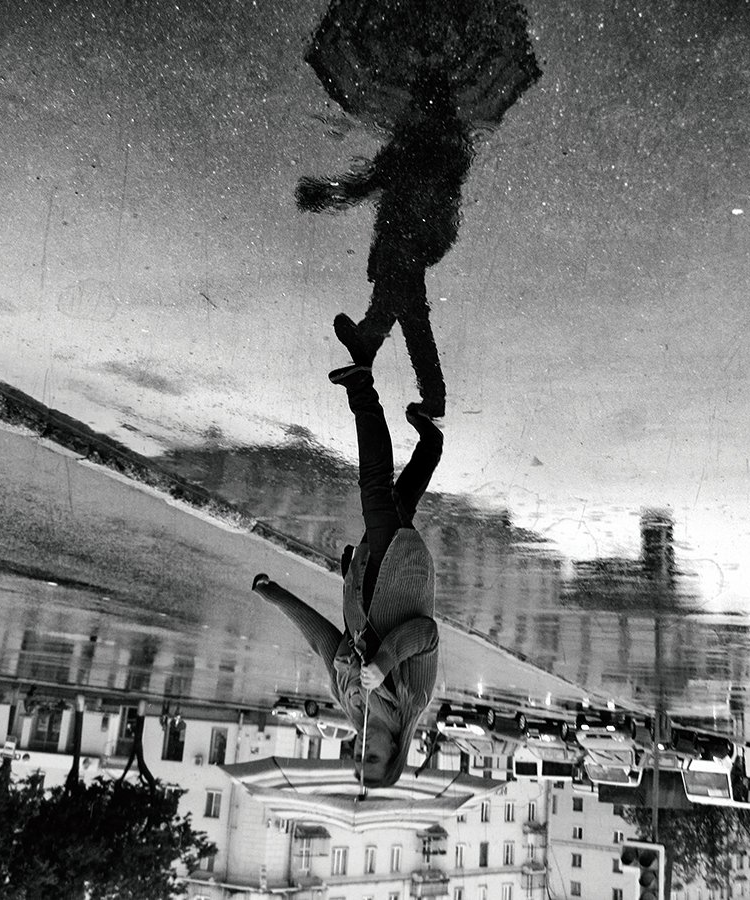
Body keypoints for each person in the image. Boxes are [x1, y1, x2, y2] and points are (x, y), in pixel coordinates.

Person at [252, 350, 442, 788]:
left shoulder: (351, 704)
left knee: (397, 501)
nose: (361, 750)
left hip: (365, 579)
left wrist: (273, 594)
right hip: (401, 573)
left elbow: (324, 641)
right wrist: (385, 661)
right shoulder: (413, 700)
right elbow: (427, 635)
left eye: (357, 758)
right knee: (374, 488)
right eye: (372, 757)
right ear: (394, 752)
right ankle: (361, 389)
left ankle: (431, 444)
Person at [295, 69, 475, 419]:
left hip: (404, 238)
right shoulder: (449, 144)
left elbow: (370, 182)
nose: (411, 107)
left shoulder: (417, 143)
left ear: (425, 103)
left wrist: (324, 194)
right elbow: (386, 182)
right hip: (418, 238)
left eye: (418, 101)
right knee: (412, 315)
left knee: (395, 304)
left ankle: (367, 347)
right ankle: (429, 393)